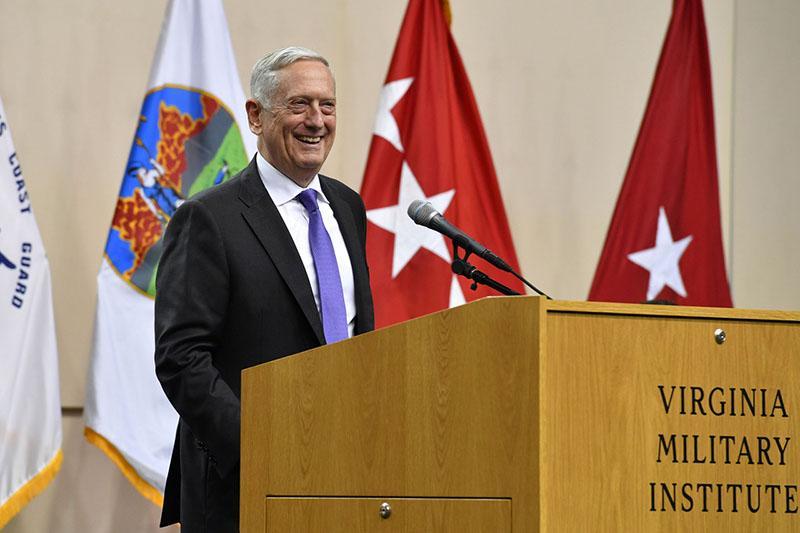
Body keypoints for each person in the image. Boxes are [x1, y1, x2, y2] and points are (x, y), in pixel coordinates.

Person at [154, 46, 374, 532]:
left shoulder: (349, 208)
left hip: (346, 474)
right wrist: (261, 448)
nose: (316, 121)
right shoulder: (209, 218)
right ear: (256, 115)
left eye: (327, 105)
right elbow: (181, 358)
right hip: (244, 487)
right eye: (298, 105)